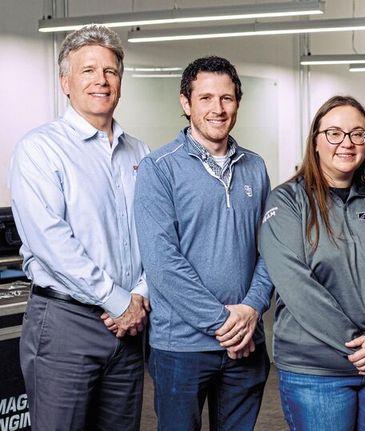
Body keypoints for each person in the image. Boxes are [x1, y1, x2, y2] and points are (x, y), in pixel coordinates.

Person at [8, 24, 149, 430]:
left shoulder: (140, 152)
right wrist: (118, 300)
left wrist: (138, 296)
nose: (101, 81)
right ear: (65, 82)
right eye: (88, 71)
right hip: (67, 324)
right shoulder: (40, 149)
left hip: (129, 328)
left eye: (110, 71)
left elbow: (156, 232)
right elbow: (53, 243)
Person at [133, 56, 272, 431]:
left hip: (247, 343)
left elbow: (270, 251)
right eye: (206, 98)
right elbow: (162, 264)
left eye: (227, 98)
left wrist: (252, 309)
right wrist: (225, 322)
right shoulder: (159, 168)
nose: (218, 108)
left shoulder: (255, 167)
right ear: (186, 103)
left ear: (237, 103)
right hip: (182, 348)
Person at [259, 95, 365, 431]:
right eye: (334, 133)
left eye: (357, 134)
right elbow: (297, 286)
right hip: (317, 372)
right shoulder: (287, 203)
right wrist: (357, 345)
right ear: (315, 141)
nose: (347, 143)